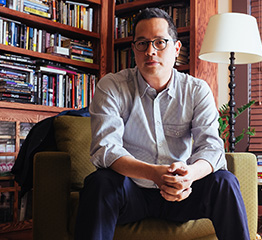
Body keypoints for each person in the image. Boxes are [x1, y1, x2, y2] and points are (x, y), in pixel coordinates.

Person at [74, 7, 250, 240]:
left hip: (183, 192)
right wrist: (153, 174)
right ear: (133, 50)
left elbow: (212, 148)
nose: (150, 51)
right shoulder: (112, 86)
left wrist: (190, 174)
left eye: (160, 42)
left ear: (176, 49)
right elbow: (105, 149)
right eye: (142, 43)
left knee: (224, 181)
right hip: (132, 193)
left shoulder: (196, 90)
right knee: (99, 182)